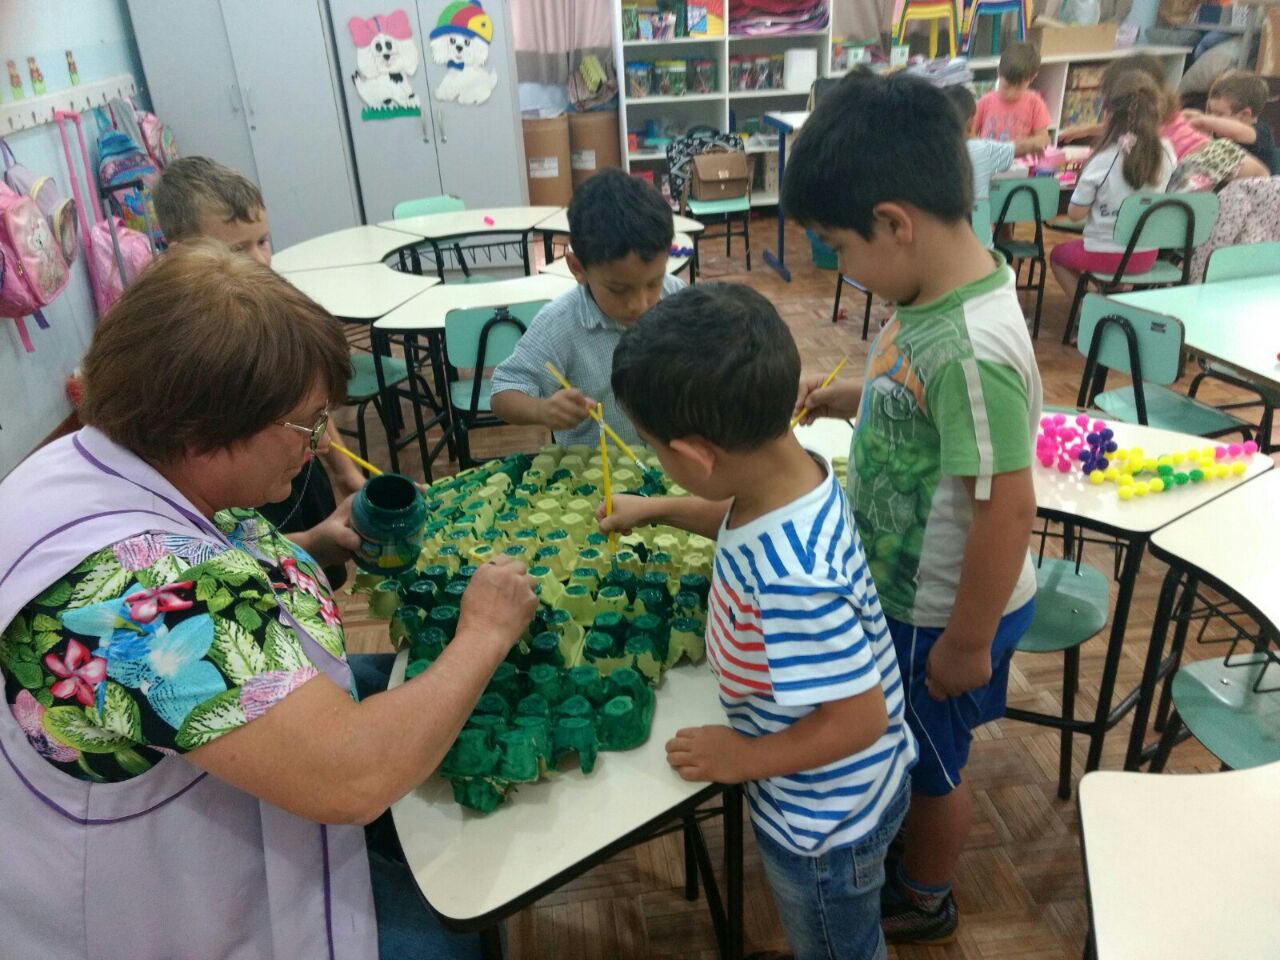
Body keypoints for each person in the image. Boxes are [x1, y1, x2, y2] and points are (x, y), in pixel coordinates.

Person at [0, 242, 539, 959]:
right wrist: (485, 631)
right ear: (204, 432)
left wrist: (312, 546)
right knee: (451, 935)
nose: (317, 446)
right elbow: (353, 776)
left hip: (206, 784)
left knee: (394, 690)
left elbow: (211, 563)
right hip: (171, 905)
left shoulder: (97, 459)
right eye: (306, 424)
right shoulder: (141, 601)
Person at [783, 70, 1042, 944]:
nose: (840, 268)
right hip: (913, 599)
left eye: (836, 247)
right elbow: (919, 398)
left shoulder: (972, 347)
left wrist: (966, 643)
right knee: (909, 743)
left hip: (945, 615)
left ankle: (927, 894)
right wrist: (854, 395)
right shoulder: (927, 297)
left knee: (934, 766)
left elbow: (1007, 508)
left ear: (893, 223)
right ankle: (907, 845)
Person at [600, 282, 916, 960]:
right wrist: (654, 509)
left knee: (838, 947)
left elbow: (858, 719)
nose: (657, 462)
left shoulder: (791, 579)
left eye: (655, 448)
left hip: (826, 826)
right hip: (836, 789)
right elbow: (734, 514)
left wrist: (742, 758)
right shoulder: (790, 473)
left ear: (694, 456)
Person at [154, 156, 367, 589]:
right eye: (237, 250)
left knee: (319, 581)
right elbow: (228, 556)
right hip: (252, 518)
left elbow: (309, 403)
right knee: (277, 586)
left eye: (263, 242)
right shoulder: (184, 348)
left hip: (296, 480)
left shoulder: (270, 303)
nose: (260, 261)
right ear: (181, 253)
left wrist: (344, 470)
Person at [489, 167, 684, 449]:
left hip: (669, 463)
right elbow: (502, 393)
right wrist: (543, 410)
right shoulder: (559, 324)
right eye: (619, 290)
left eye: (654, 282)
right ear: (578, 268)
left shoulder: (676, 297)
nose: (640, 304)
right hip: (594, 470)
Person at [1049, 72, 1178, 307]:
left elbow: (1075, 214)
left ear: (1107, 114)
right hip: (1147, 253)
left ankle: (1091, 310)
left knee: (1057, 257)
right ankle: (1111, 302)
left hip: (1104, 253)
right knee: (1115, 270)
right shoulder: (1167, 151)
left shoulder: (1103, 159)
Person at [1058, 53, 1270, 189]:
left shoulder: (1145, 121)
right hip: (1210, 162)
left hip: (1199, 166)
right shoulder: (1160, 108)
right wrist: (1087, 130)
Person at [945, 84, 1015, 247]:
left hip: (946, 249)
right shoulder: (982, 149)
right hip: (982, 248)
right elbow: (1019, 149)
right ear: (971, 122)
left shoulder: (931, 152)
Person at [1185, 69, 1278, 174]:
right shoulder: (1218, 133)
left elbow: (1237, 132)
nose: (1211, 117)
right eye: (1210, 111)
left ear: (1245, 115)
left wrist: (1202, 121)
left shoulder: (1262, 133)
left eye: (1219, 114)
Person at [973, 42, 1051, 157]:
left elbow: (1043, 139)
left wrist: (1021, 146)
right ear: (998, 72)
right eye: (1006, 86)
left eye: (1018, 88)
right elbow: (970, 134)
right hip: (989, 161)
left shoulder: (1035, 104)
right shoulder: (985, 102)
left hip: (1020, 163)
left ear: (1032, 77)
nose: (1011, 94)